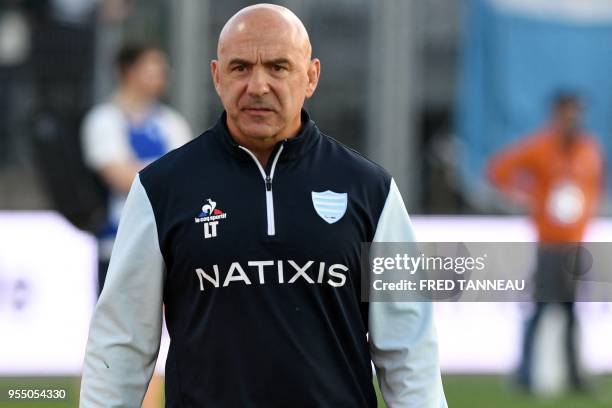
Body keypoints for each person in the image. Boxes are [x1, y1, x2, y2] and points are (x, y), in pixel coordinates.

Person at [80, 4, 447, 407]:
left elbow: (408, 349)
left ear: (311, 77)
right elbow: (121, 342)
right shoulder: (162, 188)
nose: (257, 85)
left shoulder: (370, 190)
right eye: (240, 68)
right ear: (217, 77)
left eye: (278, 67)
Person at [488, 92, 604, 392]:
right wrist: (522, 196)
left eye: (577, 112)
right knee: (541, 308)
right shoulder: (541, 147)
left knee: (570, 310)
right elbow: (499, 169)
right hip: (550, 245)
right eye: (568, 112)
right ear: (556, 114)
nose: (573, 119)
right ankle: (525, 374)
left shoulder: (588, 150)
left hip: (576, 244)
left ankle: (575, 376)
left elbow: (593, 188)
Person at [81, 43, 192, 295]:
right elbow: (118, 176)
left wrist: (141, 170)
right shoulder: (104, 119)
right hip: (118, 245)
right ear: (129, 71)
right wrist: (164, 174)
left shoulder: (171, 122)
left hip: (165, 246)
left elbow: (187, 177)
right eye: (153, 66)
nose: (162, 73)